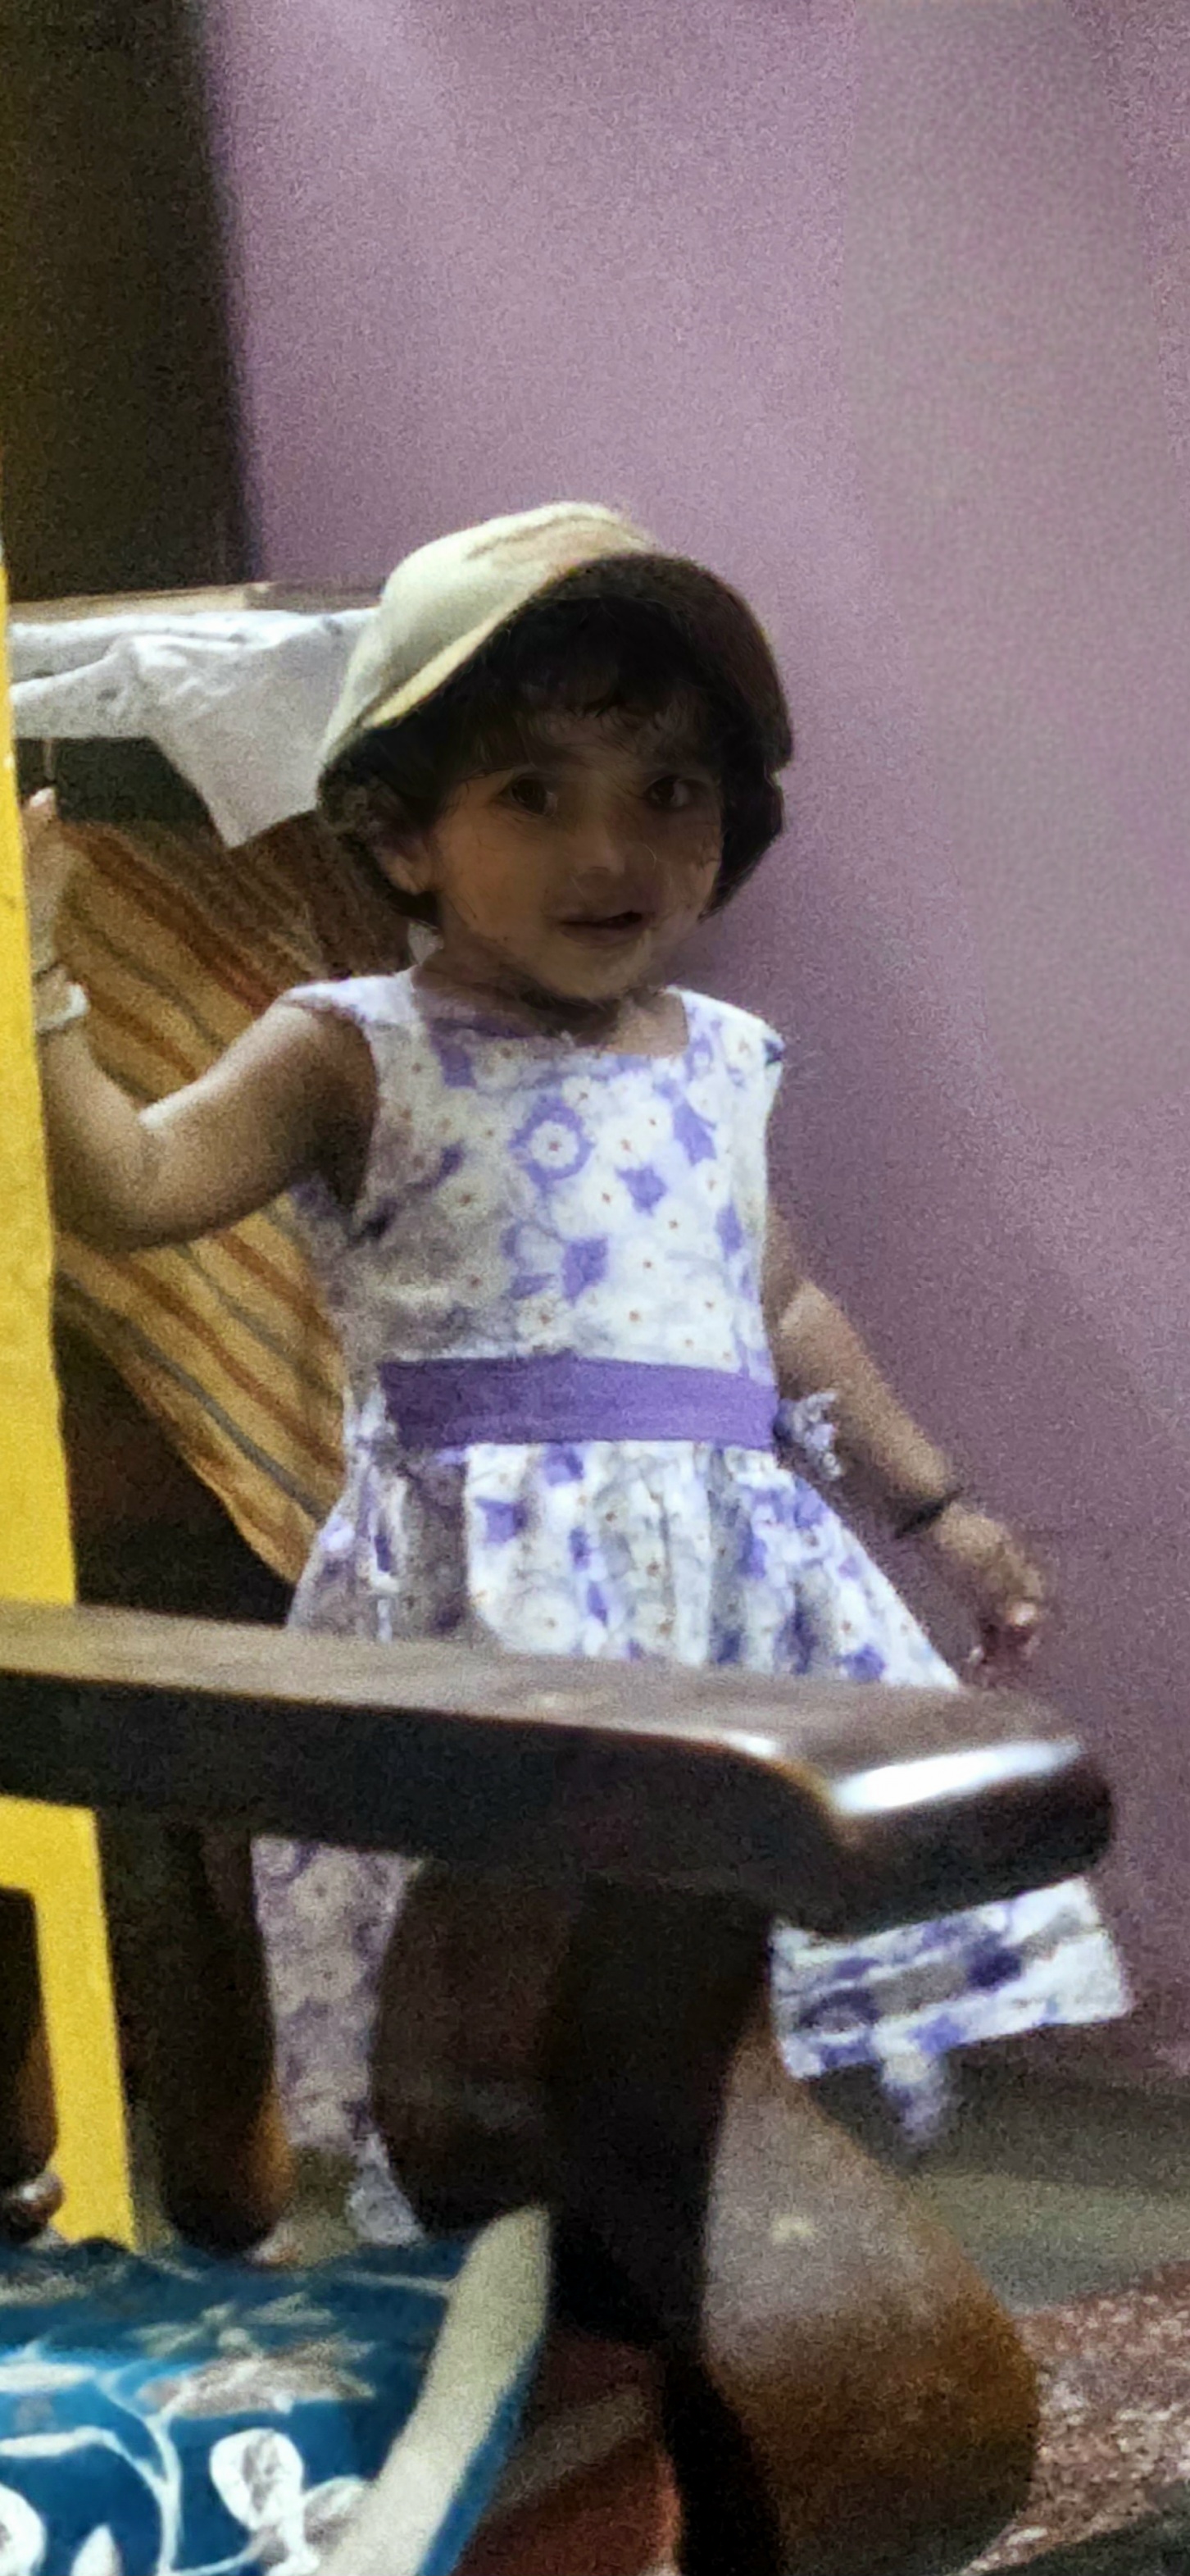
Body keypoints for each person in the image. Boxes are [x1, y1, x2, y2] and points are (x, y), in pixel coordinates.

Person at [23, 501, 1125, 2231]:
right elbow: (136, 1184)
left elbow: (782, 1302)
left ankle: (688, 2264)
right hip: (489, 1615)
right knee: (498, 1985)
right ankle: (512, 2274)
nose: (609, 848)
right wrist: (36, 979)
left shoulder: (725, 1059)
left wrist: (941, 1508)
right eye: (533, 794)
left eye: (668, 790)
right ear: (401, 835)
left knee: (703, 1976)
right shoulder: (351, 1049)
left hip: (723, 1592)